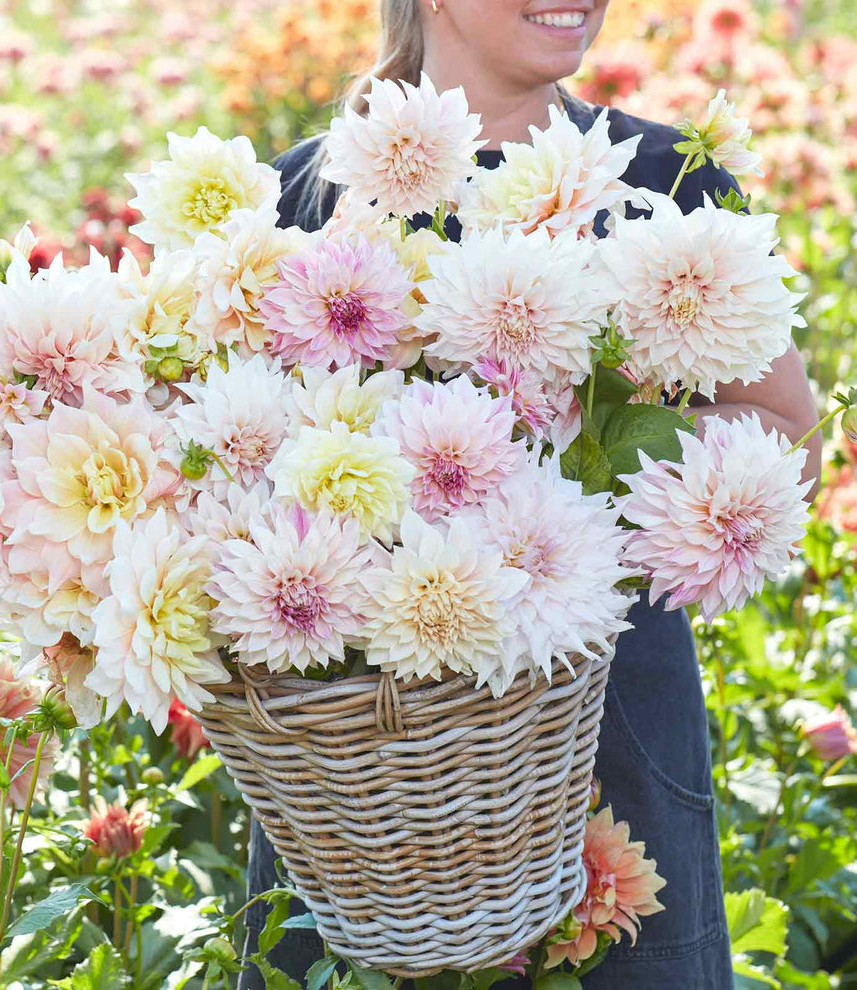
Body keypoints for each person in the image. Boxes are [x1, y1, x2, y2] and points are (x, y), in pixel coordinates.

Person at [239, 2, 822, 987]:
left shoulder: (657, 178)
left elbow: (787, 431)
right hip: (358, 785)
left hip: (609, 724)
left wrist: (586, 452)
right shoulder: (308, 190)